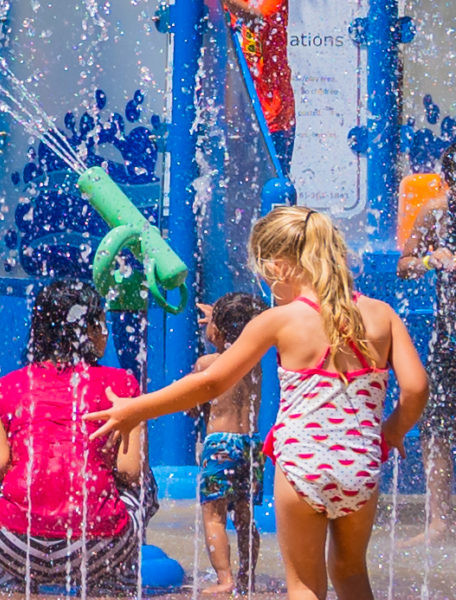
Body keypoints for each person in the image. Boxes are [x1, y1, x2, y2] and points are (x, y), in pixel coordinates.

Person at [86, 206, 428, 600]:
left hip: (304, 464)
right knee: (351, 573)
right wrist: (392, 431)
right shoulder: (381, 314)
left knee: (304, 583)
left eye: (266, 274)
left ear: (281, 267)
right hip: (361, 466)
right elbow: (417, 388)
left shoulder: (280, 320)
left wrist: (137, 408)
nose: (268, 285)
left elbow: (212, 382)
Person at [0, 279, 158, 594]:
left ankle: (10, 588)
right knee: (144, 482)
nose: (106, 332)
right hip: (101, 546)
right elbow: (131, 471)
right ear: (87, 330)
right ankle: (116, 587)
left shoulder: (5, 388)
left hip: (14, 543)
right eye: (101, 323)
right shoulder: (122, 387)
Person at [397, 141, 456, 545]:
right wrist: (430, 260)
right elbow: (405, 265)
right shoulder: (435, 213)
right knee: (435, 426)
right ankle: (438, 522)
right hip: (448, 338)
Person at [190, 292, 267, 594]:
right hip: (251, 444)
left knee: (214, 517)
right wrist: (221, 318)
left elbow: (193, 405)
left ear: (218, 332)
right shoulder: (255, 363)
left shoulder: (207, 363)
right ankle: (247, 576)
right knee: (244, 517)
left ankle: (224, 579)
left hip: (220, 443)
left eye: (209, 325)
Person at [224, 0, 295, 175]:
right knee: (230, 194)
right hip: (233, 117)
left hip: (271, 118)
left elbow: (256, 19)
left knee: (274, 190)